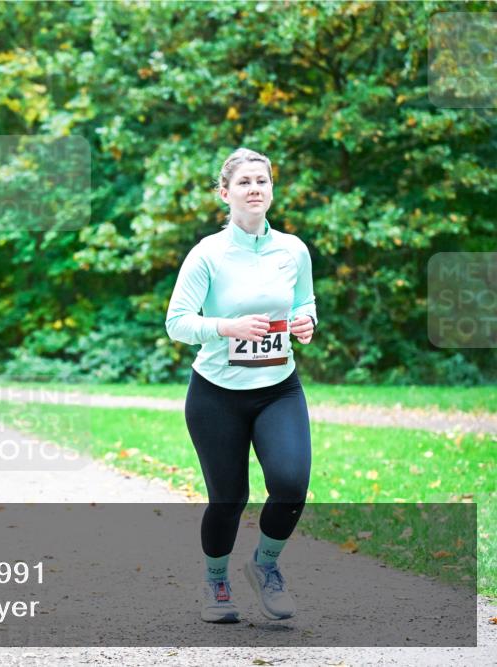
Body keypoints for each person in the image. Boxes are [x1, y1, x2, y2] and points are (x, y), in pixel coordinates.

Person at [164, 148, 317, 624]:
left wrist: (306, 320)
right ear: (225, 193)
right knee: (229, 498)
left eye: (263, 181)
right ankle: (215, 580)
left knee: (291, 485)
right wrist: (225, 328)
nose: (256, 189)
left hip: (278, 388)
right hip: (216, 394)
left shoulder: (292, 249)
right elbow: (177, 322)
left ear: (272, 189)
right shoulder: (207, 253)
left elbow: (305, 299)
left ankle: (265, 566)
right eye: (246, 182)